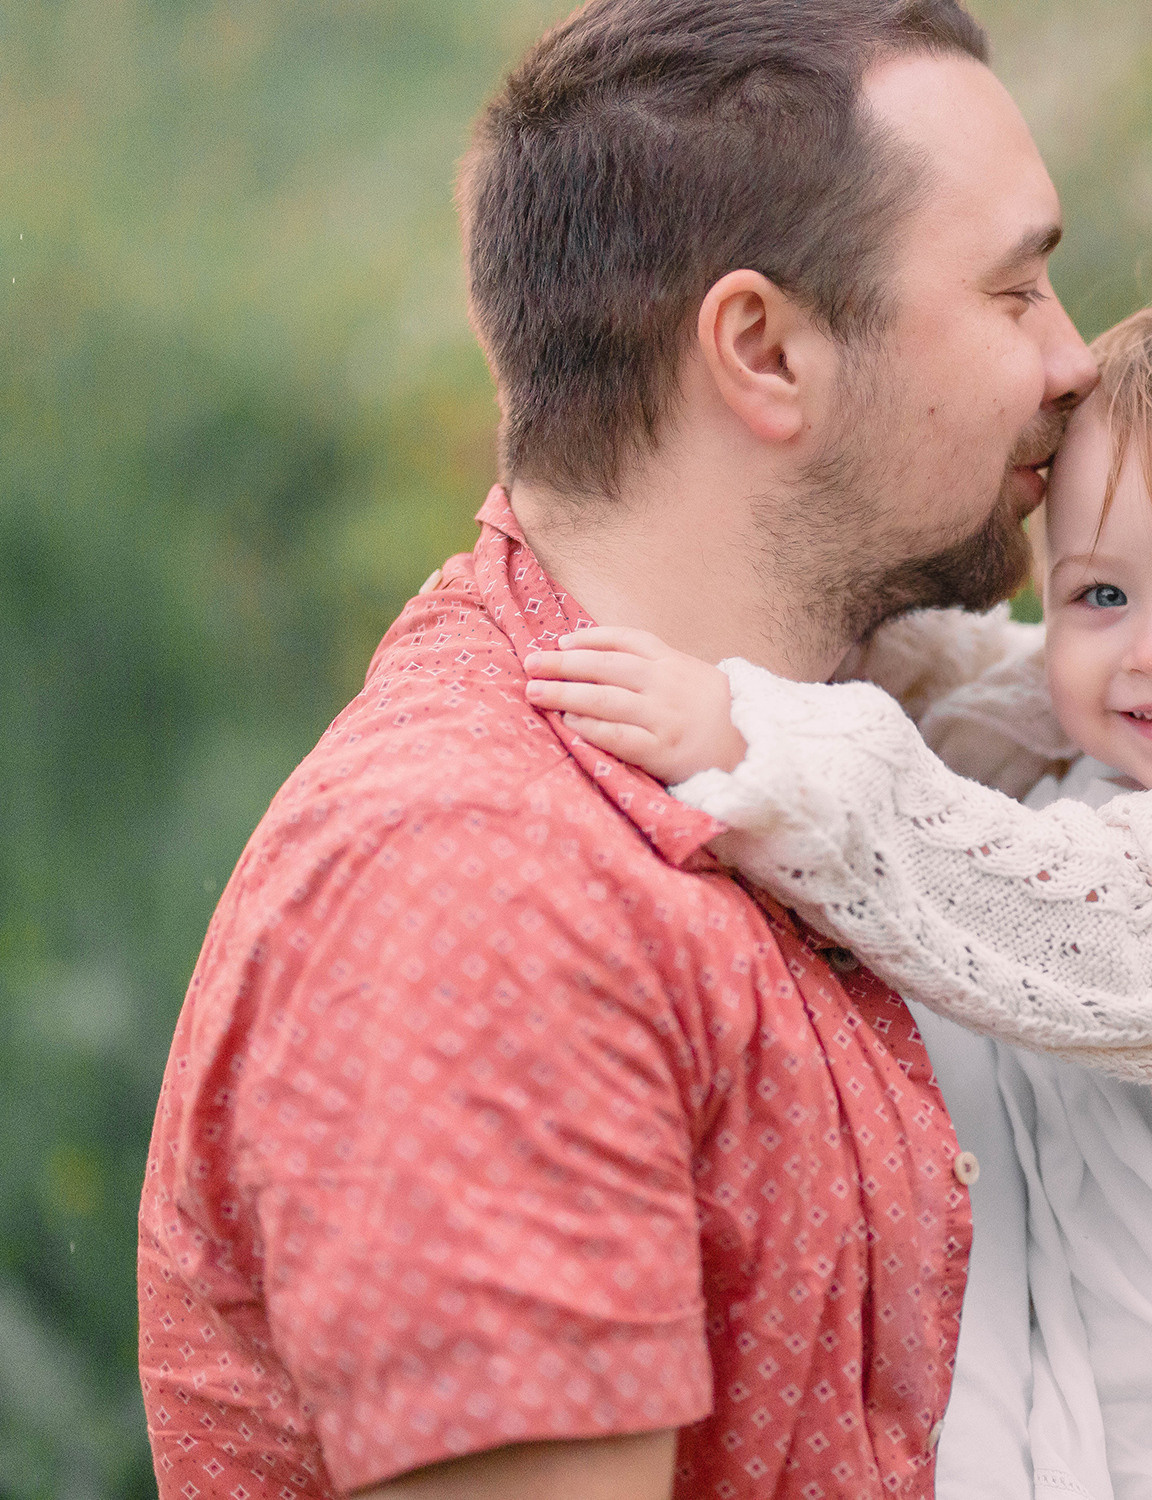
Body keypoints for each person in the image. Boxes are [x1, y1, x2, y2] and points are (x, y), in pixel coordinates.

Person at [134, 3, 1100, 1497]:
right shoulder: (487, 890)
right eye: (1016, 292)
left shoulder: (793, 767)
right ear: (765, 350)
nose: (1074, 359)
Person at [522, 283, 1152, 1497]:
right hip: (1087, 1433)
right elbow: (961, 677)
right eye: (1100, 593)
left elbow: (1081, 911)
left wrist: (750, 733)